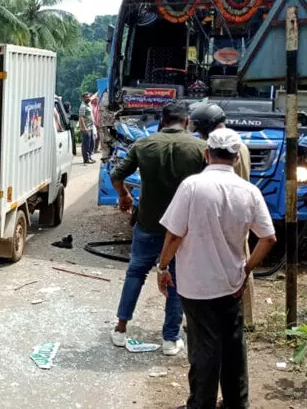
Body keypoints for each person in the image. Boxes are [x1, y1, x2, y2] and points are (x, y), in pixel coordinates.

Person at [156, 128, 277, 409]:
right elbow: (268, 238)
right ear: (236, 158)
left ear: (206, 154)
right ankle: (236, 402)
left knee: (204, 347)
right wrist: (246, 269)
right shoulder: (250, 191)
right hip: (231, 283)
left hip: (195, 285)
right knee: (233, 344)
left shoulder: (192, 186)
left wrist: (162, 267)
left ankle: (201, 403)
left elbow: (174, 235)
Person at [110, 100, 206, 356]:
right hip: (182, 228)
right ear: (186, 122)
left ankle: (120, 329)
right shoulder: (201, 148)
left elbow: (116, 175)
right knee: (177, 279)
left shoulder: (143, 144)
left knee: (136, 273)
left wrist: (125, 196)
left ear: (162, 121)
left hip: (149, 223)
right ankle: (170, 339)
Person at [189, 100, 256, 326]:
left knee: (213, 262)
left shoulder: (218, 148)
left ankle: (212, 317)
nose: (198, 135)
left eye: (199, 130)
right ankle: (245, 317)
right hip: (239, 211)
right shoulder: (238, 145)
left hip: (222, 211)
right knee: (240, 259)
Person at [78, 92, 96, 164]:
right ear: (83, 98)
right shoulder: (83, 106)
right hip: (86, 128)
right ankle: (86, 159)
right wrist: (84, 128)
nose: (88, 98)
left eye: (89, 97)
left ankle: (89, 157)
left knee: (92, 142)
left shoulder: (88, 103)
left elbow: (93, 97)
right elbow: (81, 118)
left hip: (91, 127)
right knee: (86, 144)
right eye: (86, 97)